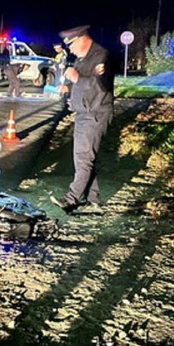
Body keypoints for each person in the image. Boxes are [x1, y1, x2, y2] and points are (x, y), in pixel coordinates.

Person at [49, 25, 114, 214]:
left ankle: (72, 199)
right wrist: (68, 88)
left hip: (95, 113)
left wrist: (77, 78)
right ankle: (93, 200)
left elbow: (101, 86)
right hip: (83, 112)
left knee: (84, 158)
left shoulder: (101, 56)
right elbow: (80, 84)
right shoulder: (81, 58)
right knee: (85, 158)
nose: (70, 49)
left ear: (81, 39)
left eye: (71, 45)